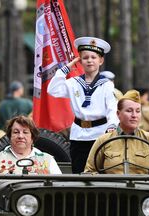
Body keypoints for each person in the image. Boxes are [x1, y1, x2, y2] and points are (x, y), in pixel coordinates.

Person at [48, 36, 118, 173]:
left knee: (101, 173)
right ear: (80, 61)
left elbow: (112, 108)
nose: (90, 60)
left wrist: (112, 126)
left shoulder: (107, 85)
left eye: (94, 57)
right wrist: (66, 68)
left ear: (101, 60)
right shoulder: (73, 83)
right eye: (85, 58)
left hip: (100, 134)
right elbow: (53, 89)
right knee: (79, 172)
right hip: (78, 134)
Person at [0, 116, 62, 209]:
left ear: (32, 137)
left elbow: (60, 186)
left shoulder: (48, 160)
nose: (20, 136)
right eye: (16, 132)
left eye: (25, 132)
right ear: (9, 136)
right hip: (5, 212)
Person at [84, 90, 149, 175]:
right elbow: (90, 171)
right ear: (118, 114)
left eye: (138, 111)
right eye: (129, 111)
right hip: (112, 187)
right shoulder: (103, 140)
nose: (134, 115)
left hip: (143, 187)